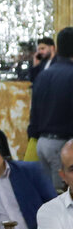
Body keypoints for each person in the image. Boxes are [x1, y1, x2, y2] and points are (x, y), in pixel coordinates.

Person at [29, 26, 73, 190]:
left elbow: (34, 111)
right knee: (63, 197)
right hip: (63, 146)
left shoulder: (44, 74)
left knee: (49, 196)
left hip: (42, 143)